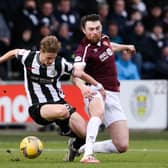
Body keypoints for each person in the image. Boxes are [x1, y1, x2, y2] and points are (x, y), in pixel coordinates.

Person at [0, 35, 104, 160]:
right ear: (41, 51)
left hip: (59, 103)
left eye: (53, 58)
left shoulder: (60, 63)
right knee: (63, 110)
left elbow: (78, 74)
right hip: (38, 108)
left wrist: (95, 86)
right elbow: (13, 52)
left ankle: (74, 146)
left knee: (86, 135)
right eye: (48, 58)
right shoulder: (29, 57)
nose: (50, 61)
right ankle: (66, 131)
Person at [67, 14, 136, 163]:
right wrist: (82, 88)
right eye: (91, 29)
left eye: (97, 28)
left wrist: (125, 47)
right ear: (83, 30)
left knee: (122, 145)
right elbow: (76, 73)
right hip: (94, 90)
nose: (95, 32)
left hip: (113, 94)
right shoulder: (83, 50)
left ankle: (81, 147)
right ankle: (88, 156)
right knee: (97, 113)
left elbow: (110, 46)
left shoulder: (104, 38)